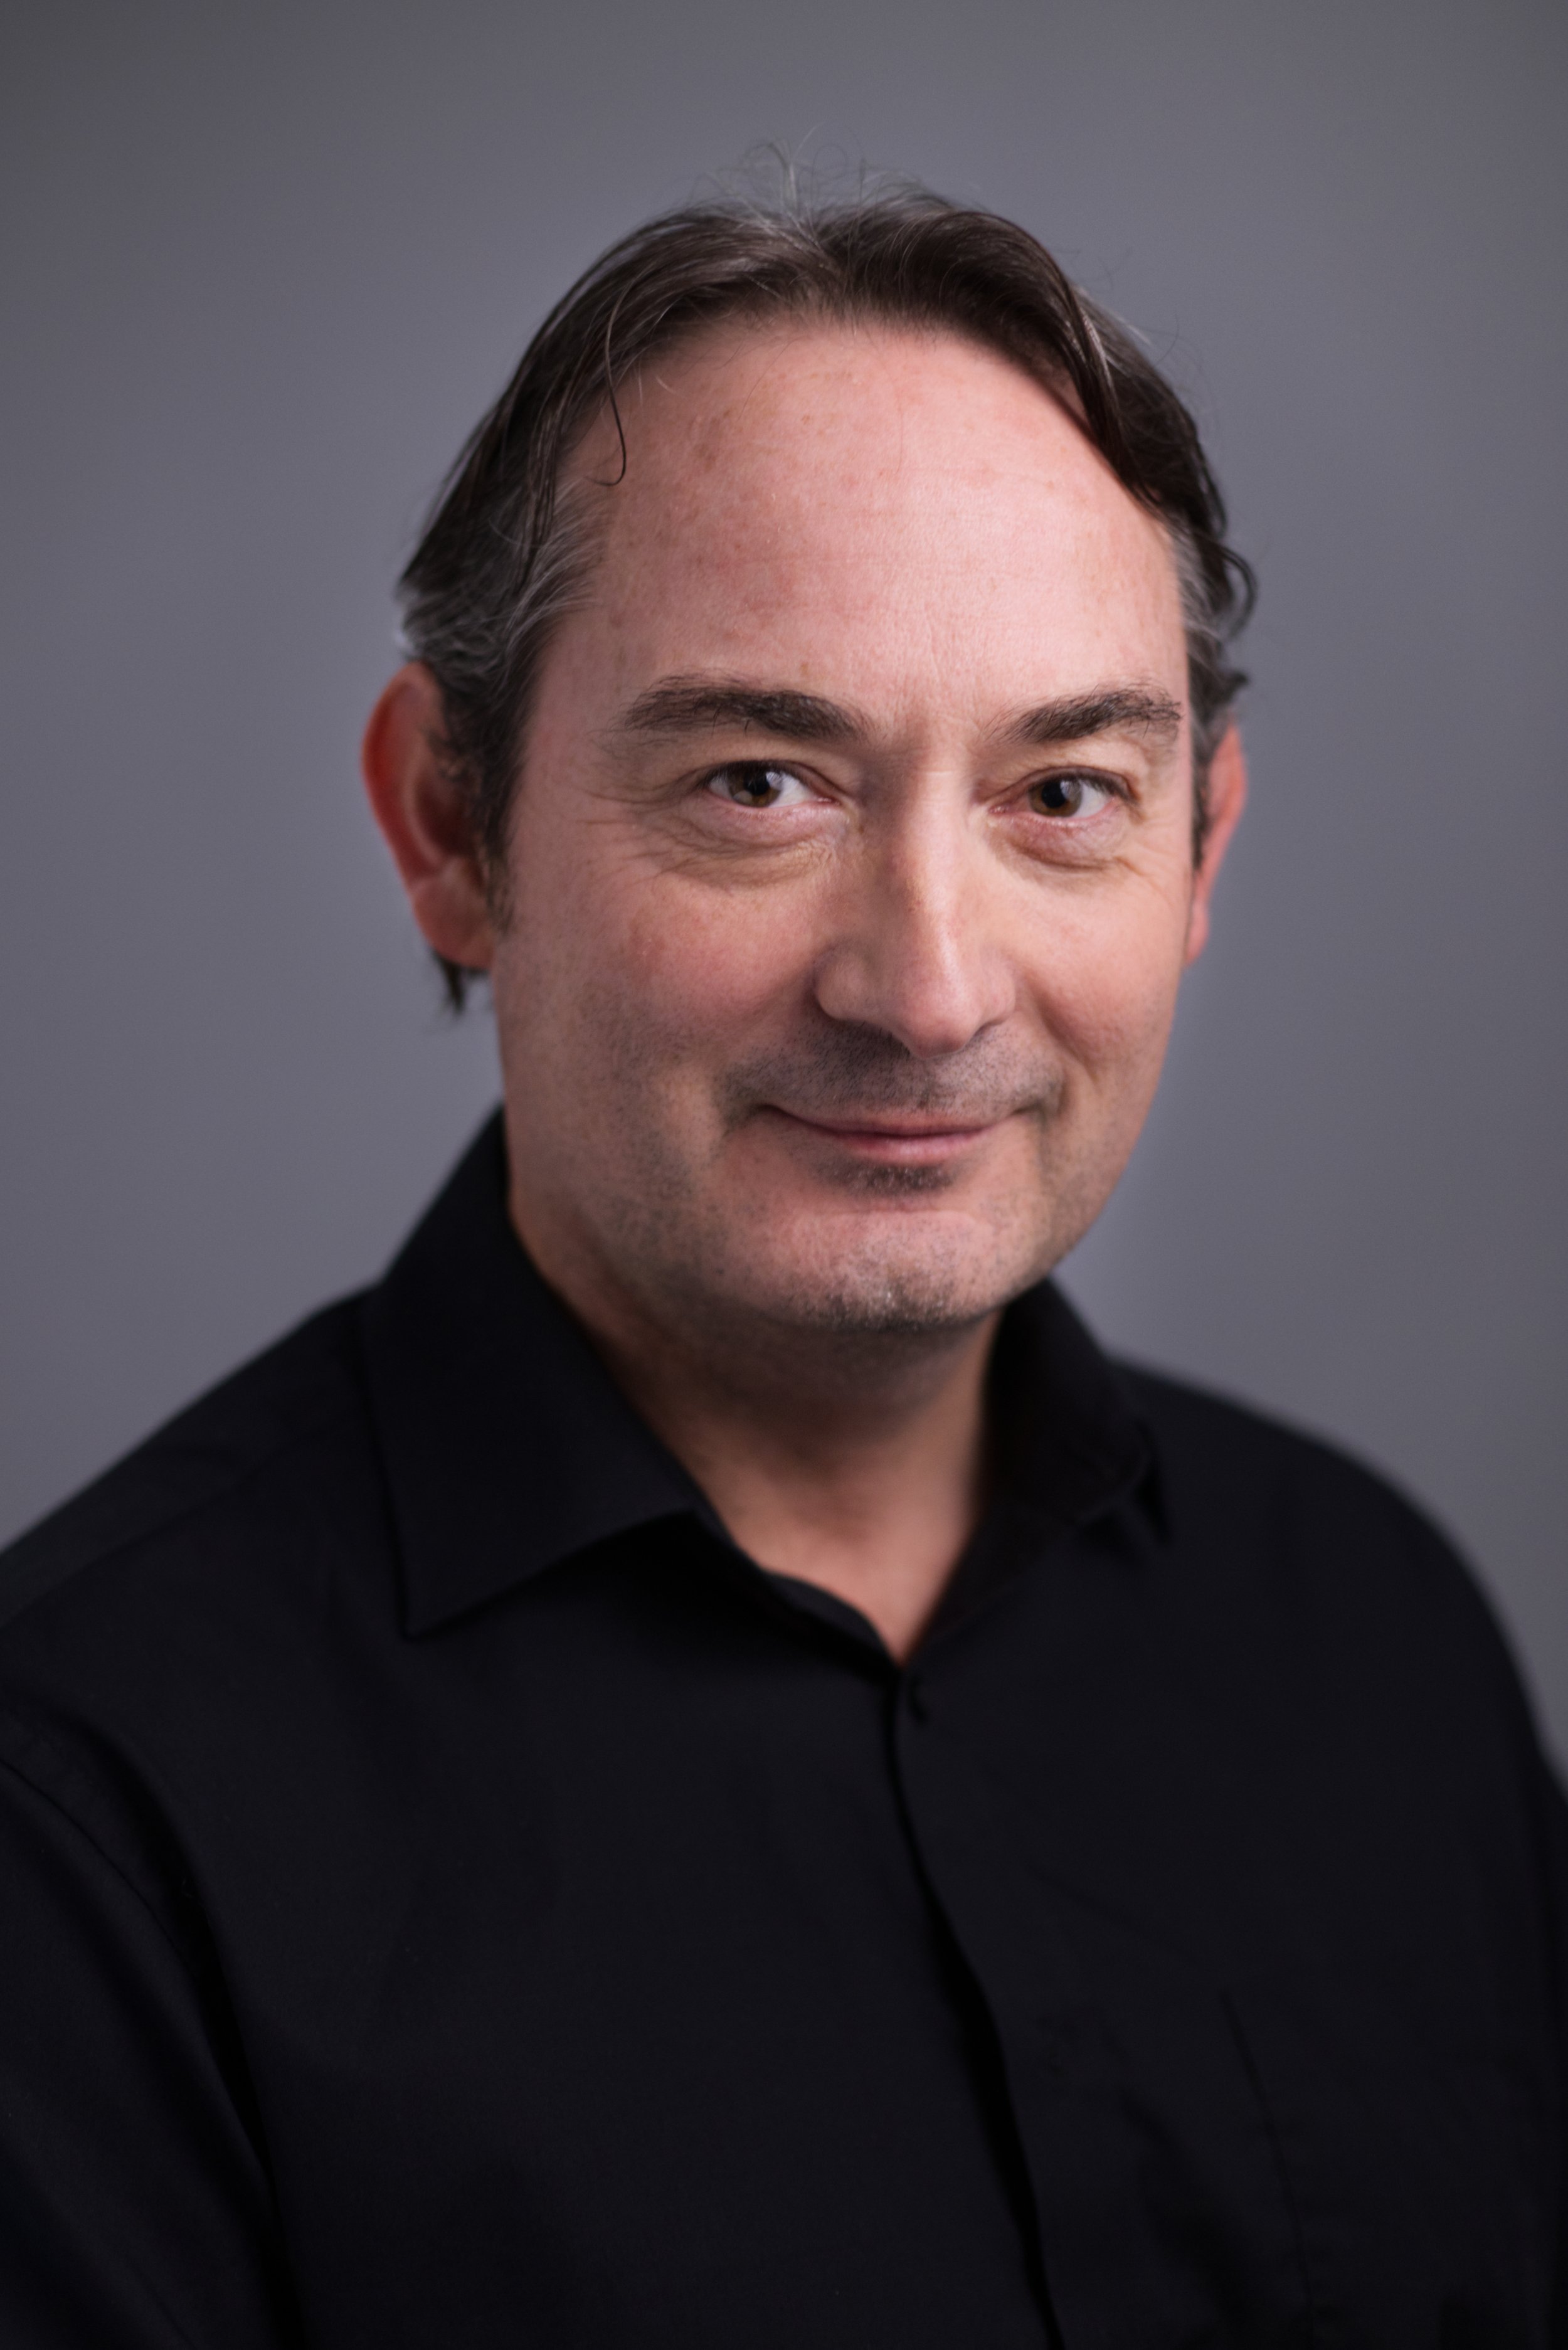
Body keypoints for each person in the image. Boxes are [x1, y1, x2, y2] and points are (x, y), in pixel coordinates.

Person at [0, 185, 1562, 2349]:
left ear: (1197, 851)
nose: (927, 990)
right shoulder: (83, 1818)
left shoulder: (1377, 1639)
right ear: (450, 830)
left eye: (1062, 791)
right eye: (761, 780)